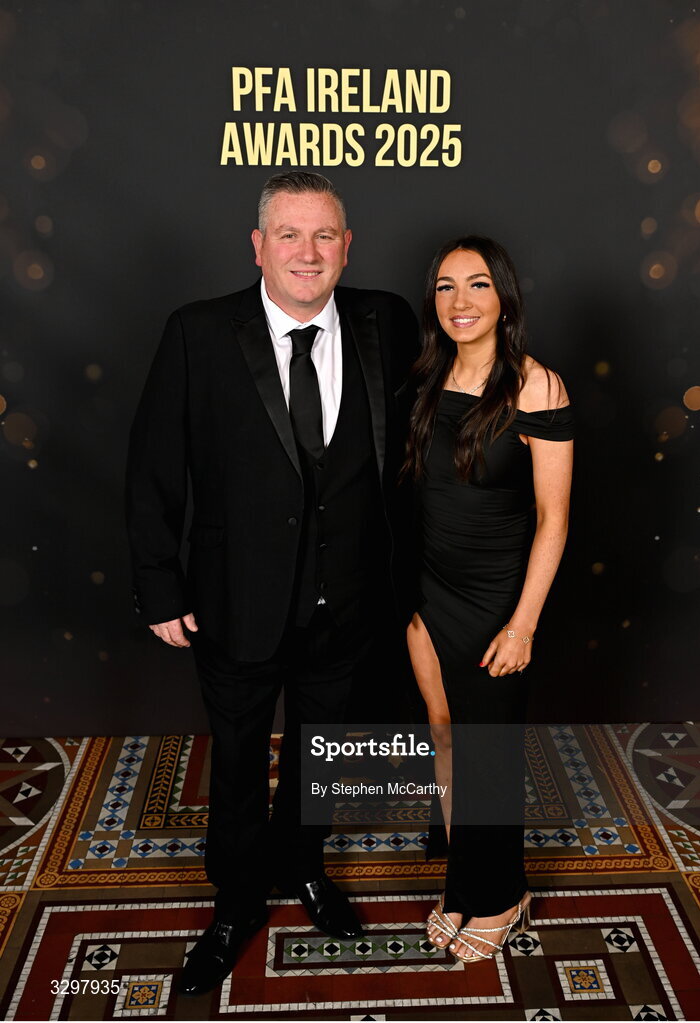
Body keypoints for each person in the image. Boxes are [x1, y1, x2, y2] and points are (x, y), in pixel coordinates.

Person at [125, 171, 417, 995]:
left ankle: (306, 867)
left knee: (323, 754)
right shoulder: (197, 332)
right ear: (257, 246)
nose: (307, 251)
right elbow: (153, 469)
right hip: (235, 599)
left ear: (347, 246)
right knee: (241, 760)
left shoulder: (384, 320)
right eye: (288, 234)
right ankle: (236, 899)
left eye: (324, 235)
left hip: (348, 600)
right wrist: (160, 585)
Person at [403, 237, 573, 963]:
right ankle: (464, 878)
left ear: (503, 296)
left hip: (497, 599)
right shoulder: (427, 374)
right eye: (445, 287)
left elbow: (553, 518)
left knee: (488, 754)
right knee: (444, 736)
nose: (460, 302)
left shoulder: (538, 386)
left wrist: (523, 622)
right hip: (426, 593)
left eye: (476, 285)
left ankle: (501, 894)